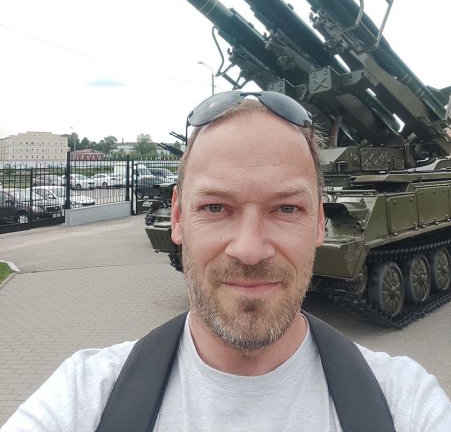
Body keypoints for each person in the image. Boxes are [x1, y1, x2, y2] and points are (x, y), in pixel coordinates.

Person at [2, 91, 451, 432]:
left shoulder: (402, 401)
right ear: (178, 218)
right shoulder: (87, 396)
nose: (249, 249)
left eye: (286, 208)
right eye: (215, 207)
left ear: (320, 221)